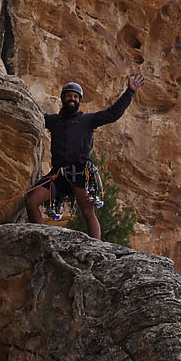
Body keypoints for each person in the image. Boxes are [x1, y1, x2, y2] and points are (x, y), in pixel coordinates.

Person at [27, 73, 141, 239]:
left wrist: (129, 93)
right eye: (69, 96)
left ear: (79, 100)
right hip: (58, 174)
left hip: (80, 172)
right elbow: (35, 116)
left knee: (87, 211)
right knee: (31, 200)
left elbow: (112, 114)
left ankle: (97, 248)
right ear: (63, 98)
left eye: (75, 96)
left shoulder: (88, 120)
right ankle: (38, 239)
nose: (72, 99)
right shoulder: (54, 121)